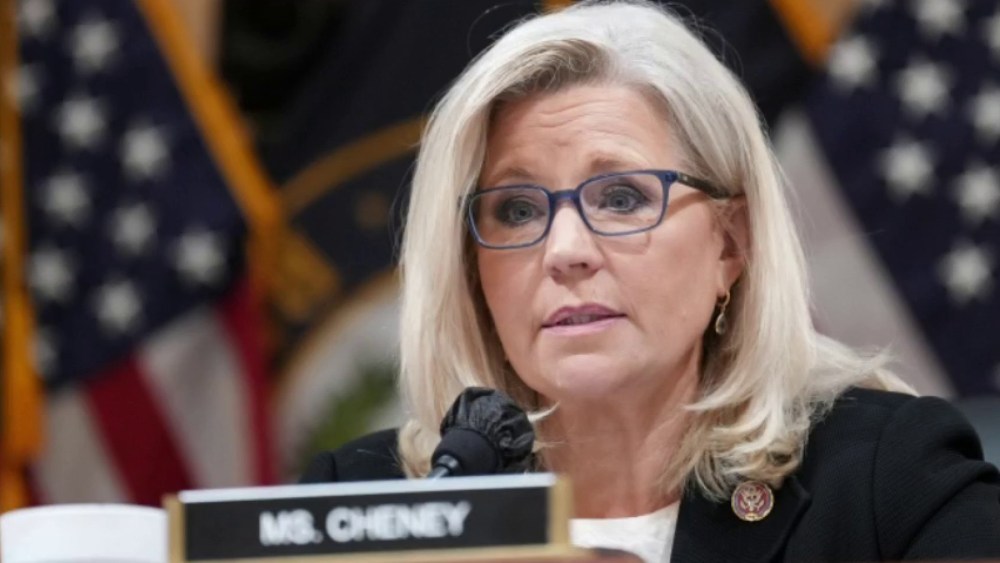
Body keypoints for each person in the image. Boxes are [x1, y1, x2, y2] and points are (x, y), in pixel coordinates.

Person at [302, 1, 1000, 560]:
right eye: (516, 210)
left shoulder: (886, 482)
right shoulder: (362, 501)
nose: (564, 250)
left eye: (622, 198)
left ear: (732, 242)